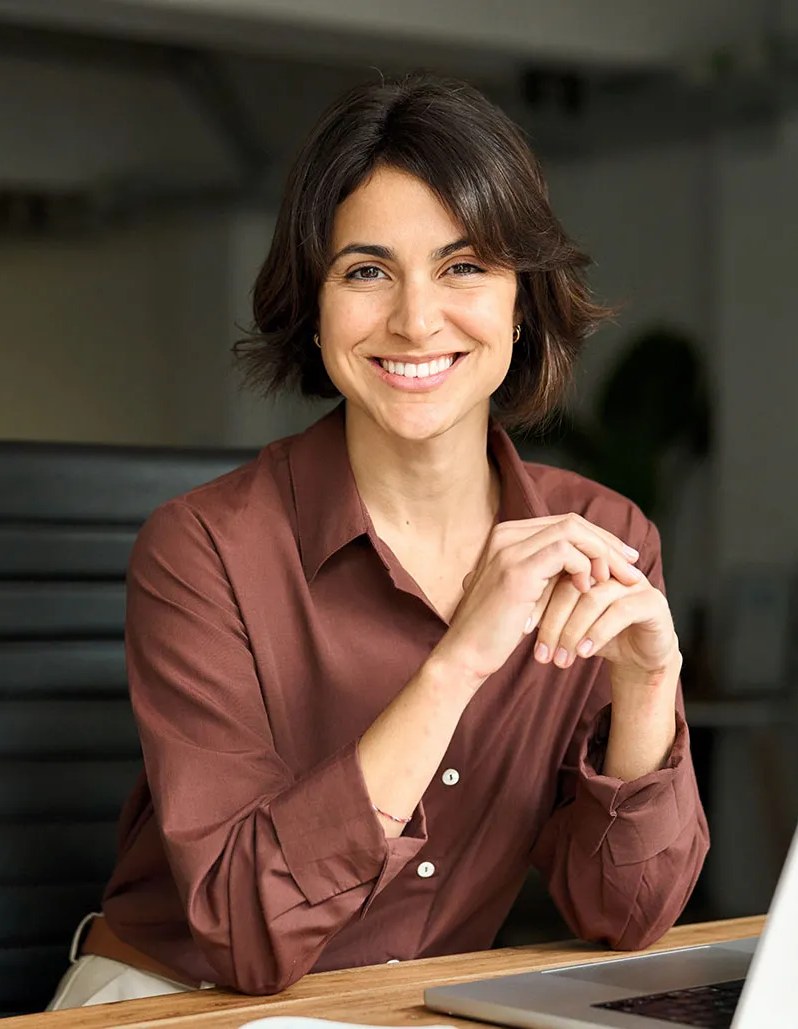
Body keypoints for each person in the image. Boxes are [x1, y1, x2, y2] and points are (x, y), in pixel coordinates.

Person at [49, 72, 709, 1009]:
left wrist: (647, 688)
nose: (414, 318)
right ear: (313, 309)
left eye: (465, 265)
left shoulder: (604, 537)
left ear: (521, 301)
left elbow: (626, 914)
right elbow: (244, 933)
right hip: (174, 1000)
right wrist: (455, 664)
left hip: (419, 1005)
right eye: (367, 271)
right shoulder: (201, 551)